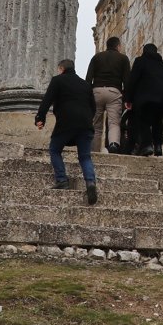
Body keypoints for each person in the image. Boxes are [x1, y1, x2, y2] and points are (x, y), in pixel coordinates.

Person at [34, 58, 98, 205]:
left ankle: (62, 180)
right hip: (85, 125)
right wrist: (87, 120)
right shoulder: (85, 85)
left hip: (66, 124)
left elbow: (47, 100)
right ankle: (90, 183)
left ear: (61, 69)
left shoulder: (58, 80)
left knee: (55, 149)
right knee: (85, 157)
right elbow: (93, 107)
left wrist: (40, 118)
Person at [122, 42, 163, 156]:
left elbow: (133, 80)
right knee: (157, 122)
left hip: (146, 99)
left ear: (144, 51)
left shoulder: (140, 61)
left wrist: (128, 99)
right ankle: (158, 147)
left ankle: (147, 145)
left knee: (143, 121)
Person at [84, 35, 130, 152]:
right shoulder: (123, 58)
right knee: (114, 122)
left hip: (97, 91)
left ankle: (94, 149)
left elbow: (88, 78)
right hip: (114, 92)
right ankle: (114, 144)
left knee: (96, 123)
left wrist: (88, 95)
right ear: (118, 46)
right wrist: (127, 98)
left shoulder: (96, 57)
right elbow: (127, 80)